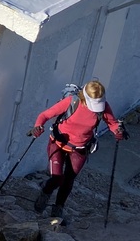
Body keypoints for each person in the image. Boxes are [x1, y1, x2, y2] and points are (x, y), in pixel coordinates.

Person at [29, 79, 128, 222]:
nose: (96, 108)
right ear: (85, 97)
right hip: (58, 143)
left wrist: (118, 131)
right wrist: (38, 126)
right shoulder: (72, 101)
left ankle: (58, 208)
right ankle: (45, 191)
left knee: (68, 180)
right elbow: (44, 115)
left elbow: (112, 123)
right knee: (57, 178)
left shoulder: (103, 107)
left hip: (80, 149)